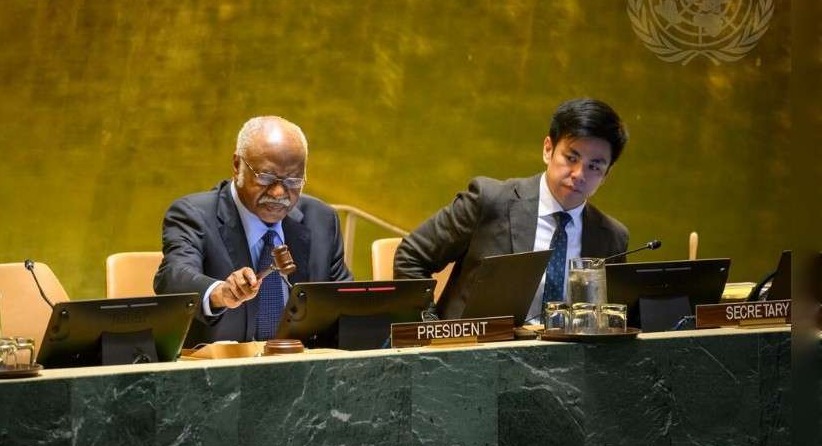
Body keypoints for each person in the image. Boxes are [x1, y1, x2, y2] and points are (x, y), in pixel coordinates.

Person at [394, 98, 629, 323]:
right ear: (548, 149)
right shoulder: (489, 201)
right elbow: (410, 257)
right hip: (478, 347)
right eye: (571, 158)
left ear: (606, 174)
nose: (579, 174)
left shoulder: (612, 238)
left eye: (594, 167)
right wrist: (432, 329)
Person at [155, 115, 352, 346]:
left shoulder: (321, 219)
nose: (279, 193)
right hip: (220, 366)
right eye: (266, 177)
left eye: (293, 180)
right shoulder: (194, 215)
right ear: (237, 165)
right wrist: (220, 292)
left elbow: (345, 302)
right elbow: (173, 277)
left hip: (302, 364)